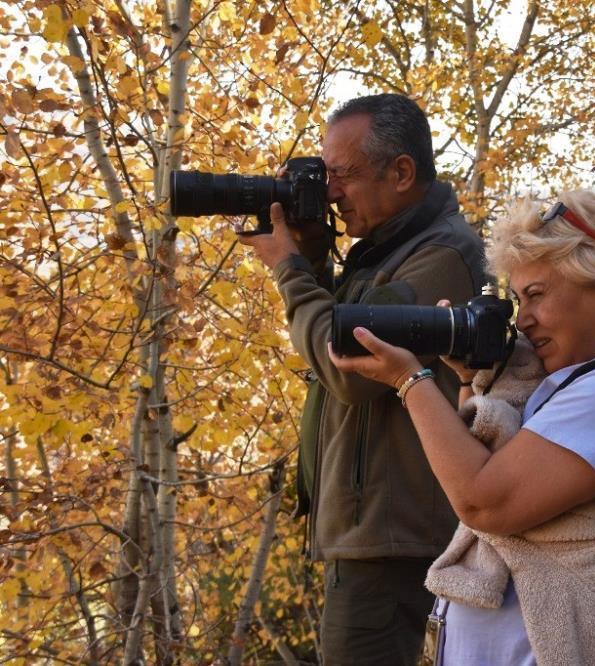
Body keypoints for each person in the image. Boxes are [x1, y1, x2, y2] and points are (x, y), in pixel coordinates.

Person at [329, 191, 595, 663]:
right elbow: (492, 469)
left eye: (536, 294)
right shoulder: (585, 381)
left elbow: (484, 501)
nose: (523, 319)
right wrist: (469, 380)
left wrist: (409, 380)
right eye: (516, 298)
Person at [238, 93, 488, 664]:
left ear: (401, 172)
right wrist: (315, 258)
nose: (328, 192)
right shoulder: (384, 253)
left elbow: (346, 365)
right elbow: (341, 336)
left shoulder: (442, 256)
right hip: (373, 530)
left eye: (341, 175)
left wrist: (287, 269)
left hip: (392, 537)